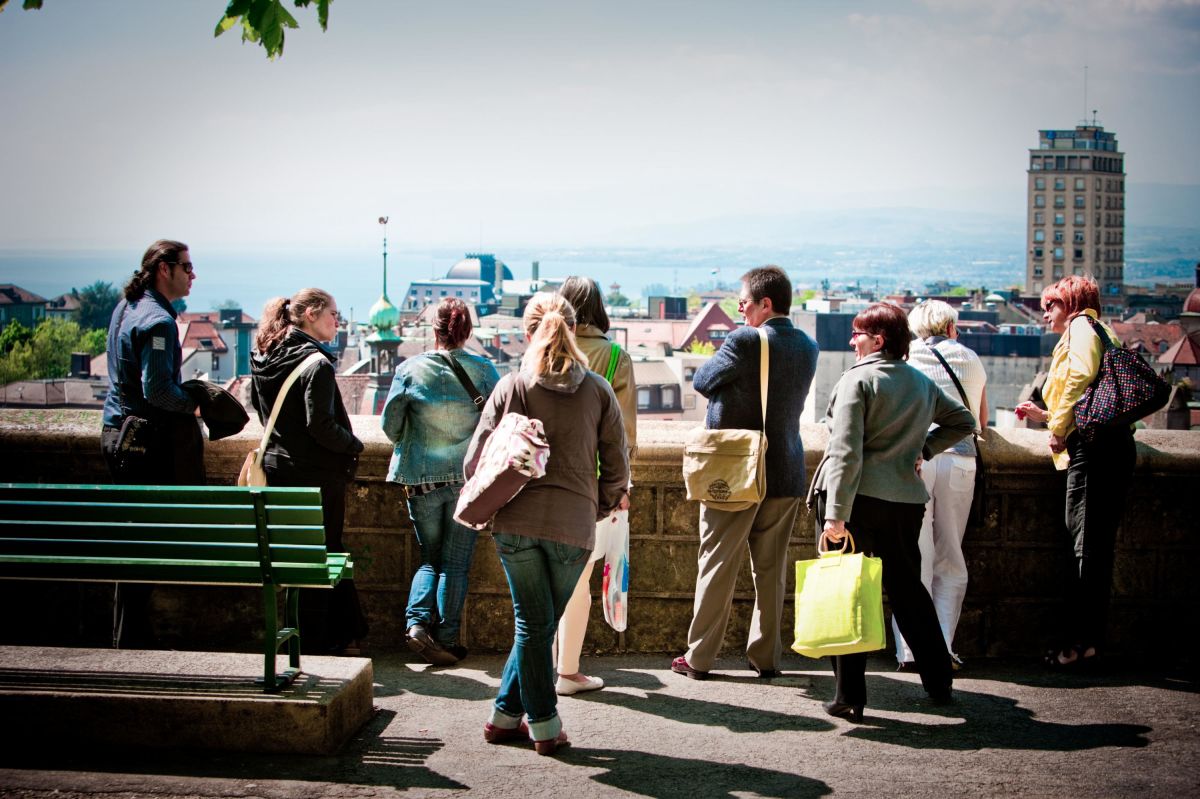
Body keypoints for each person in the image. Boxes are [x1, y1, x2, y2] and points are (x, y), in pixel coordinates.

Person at [465, 292, 628, 756]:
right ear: (574, 331)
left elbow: (475, 460)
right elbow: (617, 469)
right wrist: (594, 507)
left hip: (515, 523)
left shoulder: (511, 386)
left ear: (525, 332)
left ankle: (505, 717)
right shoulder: (597, 389)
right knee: (537, 625)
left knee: (532, 625)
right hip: (574, 526)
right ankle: (543, 724)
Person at [806, 302, 974, 722]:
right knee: (909, 593)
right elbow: (964, 421)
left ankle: (850, 695)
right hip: (904, 502)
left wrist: (835, 516)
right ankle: (939, 681)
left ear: (877, 340)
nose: (852, 340)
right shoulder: (919, 383)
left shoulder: (858, 380)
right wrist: (924, 449)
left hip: (855, 503)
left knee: (849, 594)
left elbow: (845, 451)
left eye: (857, 333)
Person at [671, 266, 818, 681]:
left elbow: (702, 379)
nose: (740, 308)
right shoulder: (808, 346)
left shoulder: (744, 339)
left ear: (765, 304)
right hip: (786, 467)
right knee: (771, 571)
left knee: (718, 562)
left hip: (738, 470)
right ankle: (766, 656)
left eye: (745, 301)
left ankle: (699, 657)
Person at [1016, 276, 1135, 671]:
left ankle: (1078, 646)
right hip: (1110, 448)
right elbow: (1095, 400)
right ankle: (1087, 644)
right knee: (1094, 548)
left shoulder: (1081, 327)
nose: (1045, 311)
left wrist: (1057, 427)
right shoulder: (1102, 329)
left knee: (1086, 549)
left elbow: (1082, 376)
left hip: (1095, 452)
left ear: (1070, 303)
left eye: (1051, 304)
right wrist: (1049, 416)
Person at [382, 298, 500, 666]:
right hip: (468, 482)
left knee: (429, 559)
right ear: (467, 330)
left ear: (433, 329)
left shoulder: (409, 370)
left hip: (421, 481)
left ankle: (417, 625)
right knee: (457, 563)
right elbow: (501, 421)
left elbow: (390, 427)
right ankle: (446, 638)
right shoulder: (483, 371)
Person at [251, 288, 368, 656]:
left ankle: (334, 633)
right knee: (324, 554)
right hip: (316, 475)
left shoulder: (265, 356)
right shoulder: (315, 363)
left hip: (277, 470)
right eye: (334, 314)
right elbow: (320, 425)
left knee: (297, 555)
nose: (339, 321)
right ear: (312, 314)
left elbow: (262, 412)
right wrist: (354, 445)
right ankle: (325, 638)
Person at [101, 239, 204, 648]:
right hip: (145, 447)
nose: (193, 274)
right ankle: (130, 644)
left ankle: (127, 638)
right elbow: (158, 392)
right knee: (144, 548)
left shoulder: (126, 307)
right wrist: (195, 406)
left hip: (117, 435)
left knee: (131, 545)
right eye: (187, 267)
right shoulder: (159, 321)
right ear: (165, 269)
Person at [892, 300, 988, 671]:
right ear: (951, 327)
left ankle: (909, 651)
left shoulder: (906, 357)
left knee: (913, 556)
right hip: (960, 459)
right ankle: (942, 647)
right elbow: (978, 420)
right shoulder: (971, 358)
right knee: (950, 556)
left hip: (915, 460)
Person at [552, 277, 637, 696]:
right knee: (579, 580)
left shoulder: (544, 351)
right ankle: (568, 671)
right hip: (594, 483)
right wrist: (621, 488)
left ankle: (545, 667)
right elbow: (625, 436)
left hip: (543, 482)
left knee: (547, 579)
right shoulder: (615, 357)